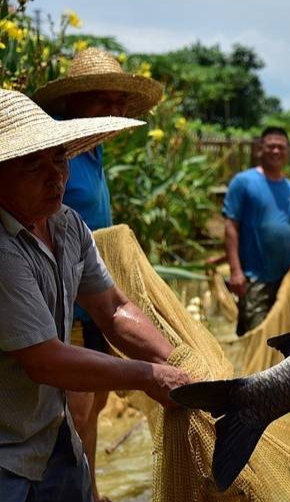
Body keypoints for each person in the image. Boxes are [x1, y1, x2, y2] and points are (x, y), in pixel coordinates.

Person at [0, 90, 191, 502]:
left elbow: (113, 308)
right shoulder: (3, 249)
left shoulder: (67, 226)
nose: (56, 178)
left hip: (55, 439)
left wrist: (176, 363)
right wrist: (148, 375)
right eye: (34, 166)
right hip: (7, 457)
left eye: (60, 159)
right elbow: (45, 360)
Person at [31, 47, 164, 502]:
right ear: (72, 103)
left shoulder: (91, 153)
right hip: (56, 304)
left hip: (89, 296)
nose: (115, 110)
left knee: (97, 400)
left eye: (119, 102)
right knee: (77, 403)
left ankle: (88, 488)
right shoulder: (50, 150)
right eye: (102, 100)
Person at [223, 126, 290, 336]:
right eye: (271, 146)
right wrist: (235, 271)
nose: (276, 151)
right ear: (260, 149)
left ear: (288, 151)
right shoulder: (243, 182)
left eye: (281, 147)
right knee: (256, 336)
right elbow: (230, 228)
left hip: (285, 278)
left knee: (285, 336)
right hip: (254, 278)